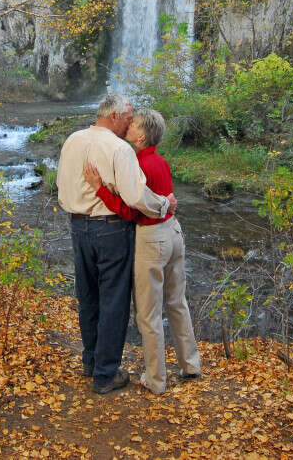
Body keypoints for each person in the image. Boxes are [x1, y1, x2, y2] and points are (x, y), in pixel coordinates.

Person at [57, 94, 176, 395]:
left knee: (89, 296)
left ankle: (91, 361)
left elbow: (61, 187)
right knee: (114, 301)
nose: (129, 124)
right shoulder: (118, 148)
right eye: (127, 117)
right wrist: (164, 205)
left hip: (77, 225)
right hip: (110, 229)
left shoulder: (72, 140)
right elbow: (137, 197)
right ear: (113, 116)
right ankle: (105, 374)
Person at [83, 108, 201, 395]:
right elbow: (163, 200)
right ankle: (190, 364)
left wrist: (99, 188)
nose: (128, 126)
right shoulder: (160, 162)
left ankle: (156, 379)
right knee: (177, 302)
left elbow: (128, 211)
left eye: (133, 124)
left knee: (148, 314)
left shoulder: (137, 165)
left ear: (141, 135)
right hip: (174, 232)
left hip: (151, 239)